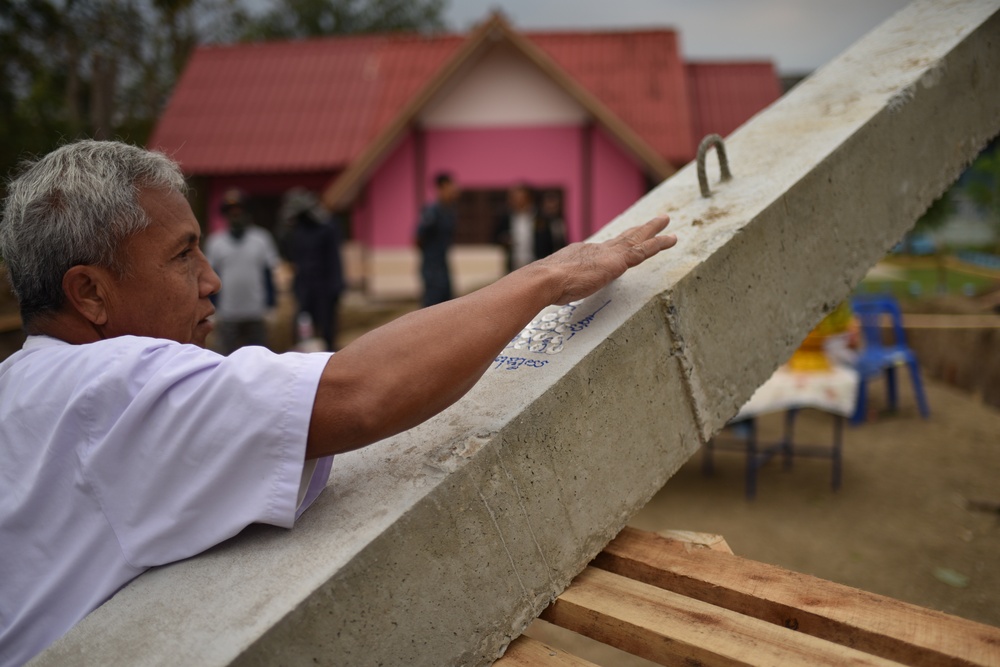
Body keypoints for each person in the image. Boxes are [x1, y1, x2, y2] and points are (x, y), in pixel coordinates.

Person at [0, 140, 677, 666]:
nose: (209, 280)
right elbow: (362, 392)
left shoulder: (22, 386)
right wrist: (551, 277)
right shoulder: (113, 385)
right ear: (89, 293)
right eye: (182, 257)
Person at [205, 189, 279, 353]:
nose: (236, 215)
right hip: (227, 313)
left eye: (240, 211)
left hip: (256, 312)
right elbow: (212, 278)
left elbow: (268, 274)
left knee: (259, 356)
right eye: (231, 212)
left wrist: (271, 305)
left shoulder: (261, 239)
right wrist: (212, 309)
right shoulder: (216, 243)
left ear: (247, 213)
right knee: (226, 357)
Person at [280, 187, 345, 351]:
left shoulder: (327, 227)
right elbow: (289, 253)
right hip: (304, 284)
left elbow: (334, 258)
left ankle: (329, 356)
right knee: (302, 324)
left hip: (326, 285)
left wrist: (337, 285)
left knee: (327, 325)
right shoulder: (295, 230)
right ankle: (303, 355)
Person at [494, 184, 567, 273]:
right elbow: (496, 237)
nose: (516, 201)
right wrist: (505, 240)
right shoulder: (506, 218)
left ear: (529, 198)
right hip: (514, 264)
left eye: (520, 198)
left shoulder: (541, 217)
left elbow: (551, 241)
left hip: (538, 263)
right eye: (513, 198)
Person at [415, 172, 458, 307]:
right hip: (432, 267)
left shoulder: (450, 212)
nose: (455, 190)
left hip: (443, 264)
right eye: (451, 187)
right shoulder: (432, 212)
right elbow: (418, 238)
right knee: (431, 305)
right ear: (442, 187)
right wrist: (430, 254)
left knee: (447, 304)